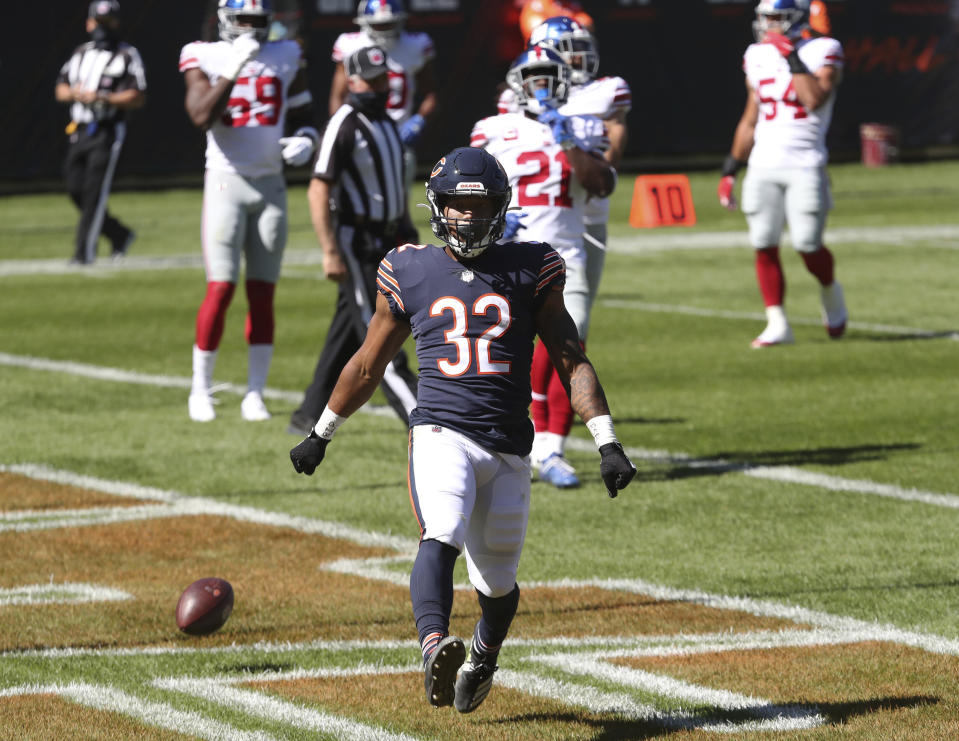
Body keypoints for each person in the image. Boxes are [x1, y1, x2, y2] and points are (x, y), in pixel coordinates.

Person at [289, 146, 636, 713]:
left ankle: (483, 654)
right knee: (441, 531)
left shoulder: (533, 266)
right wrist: (322, 432)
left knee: (497, 582)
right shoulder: (409, 267)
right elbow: (366, 364)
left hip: (509, 446)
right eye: (457, 206)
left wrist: (607, 440)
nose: (468, 218)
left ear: (500, 209)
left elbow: (572, 359)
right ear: (437, 206)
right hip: (441, 432)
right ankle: (432, 647)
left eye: (480, 208)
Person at [471, 47, 616, 489]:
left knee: (569, 350)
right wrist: (490, 217)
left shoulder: (584, 124)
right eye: (533, 77)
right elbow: (468, 187)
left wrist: (569, 140)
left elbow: (602, 185)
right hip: (507, 256)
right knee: (500, 356)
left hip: (565, 255)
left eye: (549, 76)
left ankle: (552, 449)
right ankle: (503, 442)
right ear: (517, 82)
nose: (542, 86)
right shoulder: (492, 128)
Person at [180, 0, 319, 422]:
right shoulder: (203, 54)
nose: (251, 29)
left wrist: (308, 139)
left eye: (258, 22)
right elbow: (201, 114)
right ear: (224, 19)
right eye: (243, 20)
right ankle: (200, 388)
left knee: (263, 294)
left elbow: (302, 112)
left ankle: (254, 393)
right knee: (221, 289)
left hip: (271, 184)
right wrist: (233, 68)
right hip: (226, 181)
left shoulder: (286, 54)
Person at [286, 45, 419, 436]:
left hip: (390, 238)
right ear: (352, 80)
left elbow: (393, 184)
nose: (379, 86)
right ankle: (424, 422)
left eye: (383, 78)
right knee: (382, 338)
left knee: (350, 324)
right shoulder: (344, 122)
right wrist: (330, 251)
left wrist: (406, 227)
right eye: (371, 79)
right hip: (358, 242)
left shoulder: (389, 122)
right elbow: (318, 190)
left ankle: (309, 410)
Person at [525, 16, 631, 487]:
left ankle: (551, 442)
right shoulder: (515, 103)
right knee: (531, 334)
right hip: (534, 225)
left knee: (572, 331)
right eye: (565, 49)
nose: (576, 58)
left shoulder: (605, 93)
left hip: (584, 224)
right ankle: (536, 435)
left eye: (579, 48)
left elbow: (608, 171)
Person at [717, 0, 848, 348]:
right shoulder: (757, 55)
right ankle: (777, 322)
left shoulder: (824, 49)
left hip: (806, 162)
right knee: (763, 243)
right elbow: (750, 117)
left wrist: (790, 54)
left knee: (807, 243)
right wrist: (731, 168)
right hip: (762, 163)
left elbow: (813, 100)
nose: (769, 25)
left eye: (777, 18)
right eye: (766, 18)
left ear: (797, 19)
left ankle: (830, 290)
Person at [55, 0, 146, 266]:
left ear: (116, 24)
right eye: (99, 22)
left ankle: (83, 254)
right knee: (75, 189)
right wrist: (76, 94)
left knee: (94, 192)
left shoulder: (127, 55)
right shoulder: (80, 53)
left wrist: (103, 98)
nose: (103, 29)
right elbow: (60, 88)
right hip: (79, 130)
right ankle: (119, 234)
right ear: (89, 23)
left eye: (108, 23)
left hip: (106, 132)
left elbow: (137, 95)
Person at [330, 1, 437, 196]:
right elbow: (338, 97)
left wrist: (419, 121)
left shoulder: (414, 45)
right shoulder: (350, 45)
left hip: (398, 138)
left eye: (389, 24)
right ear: (364, 22)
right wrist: (341, 131)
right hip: (360, 137)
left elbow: (431, 95)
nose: (384, 31)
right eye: (378, 24)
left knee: (396, 203)